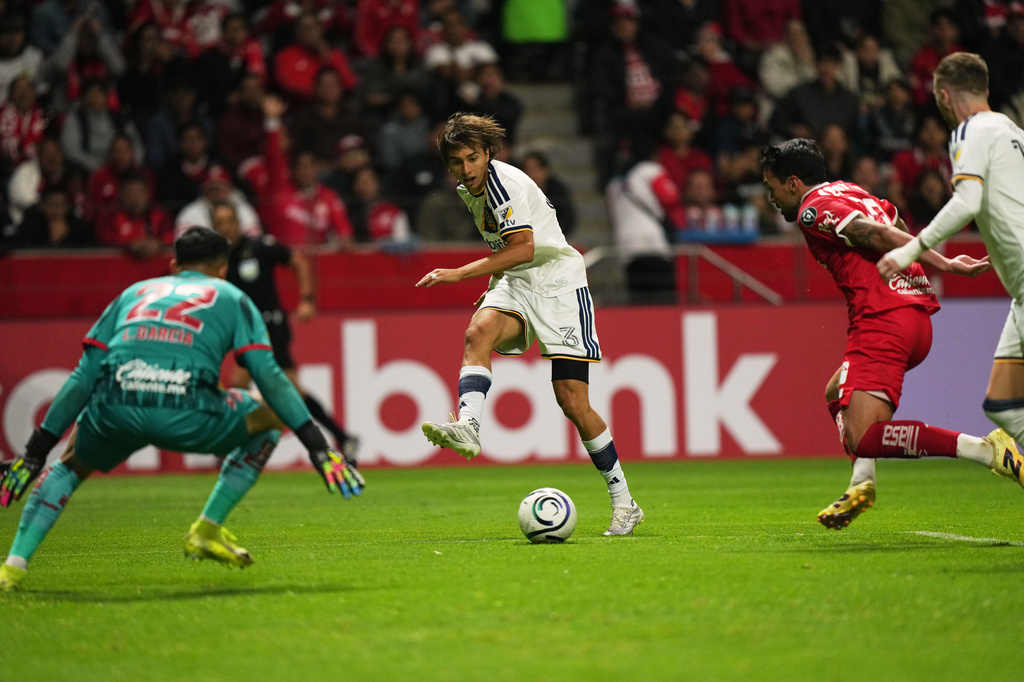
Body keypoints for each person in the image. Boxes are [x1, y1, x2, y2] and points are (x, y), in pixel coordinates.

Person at [0, 227, 363, 592]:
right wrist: (318, 446)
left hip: (117, 409)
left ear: (174, 265)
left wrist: (33, 453)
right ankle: (206, 528)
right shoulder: (231, 296)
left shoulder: (134, 293)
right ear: (223, 270)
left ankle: (12, 567)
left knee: (68, 465)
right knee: (268, 418)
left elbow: (84, 376)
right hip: (188, 413)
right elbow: (268, 375)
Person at [759, 137, 1022, 529]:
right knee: (836, 394)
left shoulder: (813, 210)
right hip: (915, 316)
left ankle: (988, 450)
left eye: (772, 187)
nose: (771, 197)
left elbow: (877, 235)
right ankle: (861, 482)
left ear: (793, 183)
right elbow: (895, 224)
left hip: (883, 318)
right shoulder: (851, 190)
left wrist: (946, 263)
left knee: (863, 436)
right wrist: (931, 261)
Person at [415, 112, 644, 536]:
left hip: (559, 285)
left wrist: (460, 272)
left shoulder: (505, 185)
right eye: (456, 162)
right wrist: (493, 282)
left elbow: (523, 247)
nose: (465, 170)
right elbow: (508, 248)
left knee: (572, 402)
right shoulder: (470, 189)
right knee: (477, 332)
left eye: (471, 158)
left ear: (487, 152)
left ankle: (624, 502)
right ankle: (469, 425)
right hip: (517, 281)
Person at [879, 52, 1024, 476]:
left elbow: (966, 202)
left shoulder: (969, 130)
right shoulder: (1014, 131)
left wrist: (907, 252)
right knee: (1001, 404)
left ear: (944, 96)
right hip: (1020, 295)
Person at [209, 202, 361, 465]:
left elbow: (298, 261)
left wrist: (307, 298)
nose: (225, 228)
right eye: (218, 223)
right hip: (245, 332)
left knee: (242, 385)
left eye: (228, 221)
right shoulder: (219, 260)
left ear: (237, 222)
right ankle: (342, 436)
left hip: (271, 327)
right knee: (288, 391)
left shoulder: (258, 247)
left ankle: (230, 449)